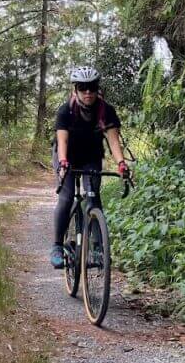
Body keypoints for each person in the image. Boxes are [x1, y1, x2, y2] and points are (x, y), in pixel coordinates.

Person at [50, 65, 129, 269]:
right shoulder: (66, 110)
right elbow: (62, 142)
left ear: (97, 88)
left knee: (93, 197)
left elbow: (113, 142)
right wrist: (63, 163)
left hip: (91, 156)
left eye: (92, 87)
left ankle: (98, 249)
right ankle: (57, 246)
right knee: (66, 197)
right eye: (83, 87)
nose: (88, 92)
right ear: (75, 89)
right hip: (66, 155)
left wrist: (121, 163)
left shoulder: (106, 111)